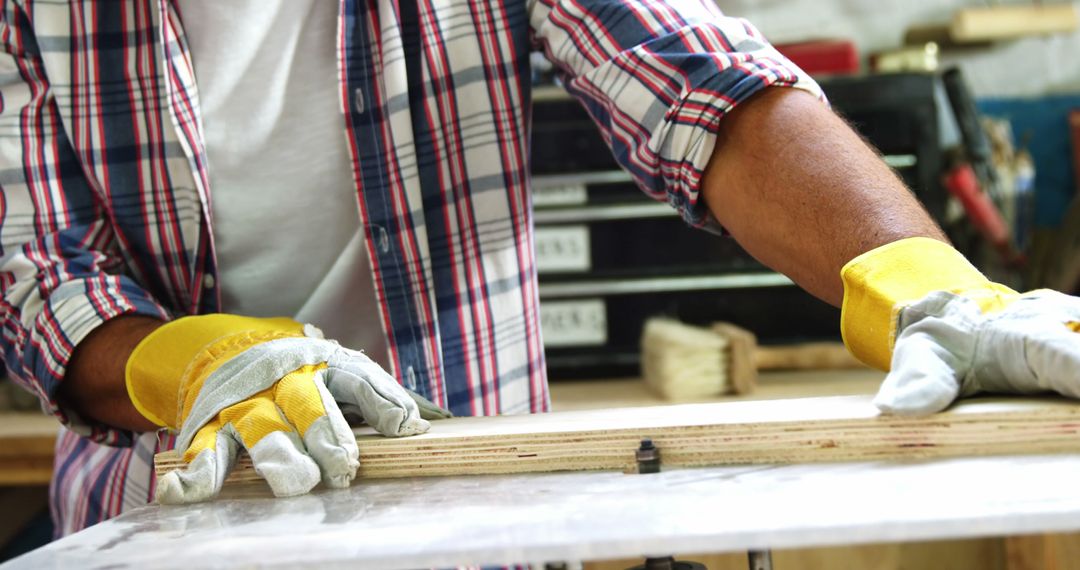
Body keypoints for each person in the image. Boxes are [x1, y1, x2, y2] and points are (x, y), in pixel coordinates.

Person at [1, 0, 1077, 538]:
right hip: (161, 525)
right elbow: (37, 270)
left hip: (470, 520)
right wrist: (190, 365)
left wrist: (920, 279)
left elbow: (697, 79)